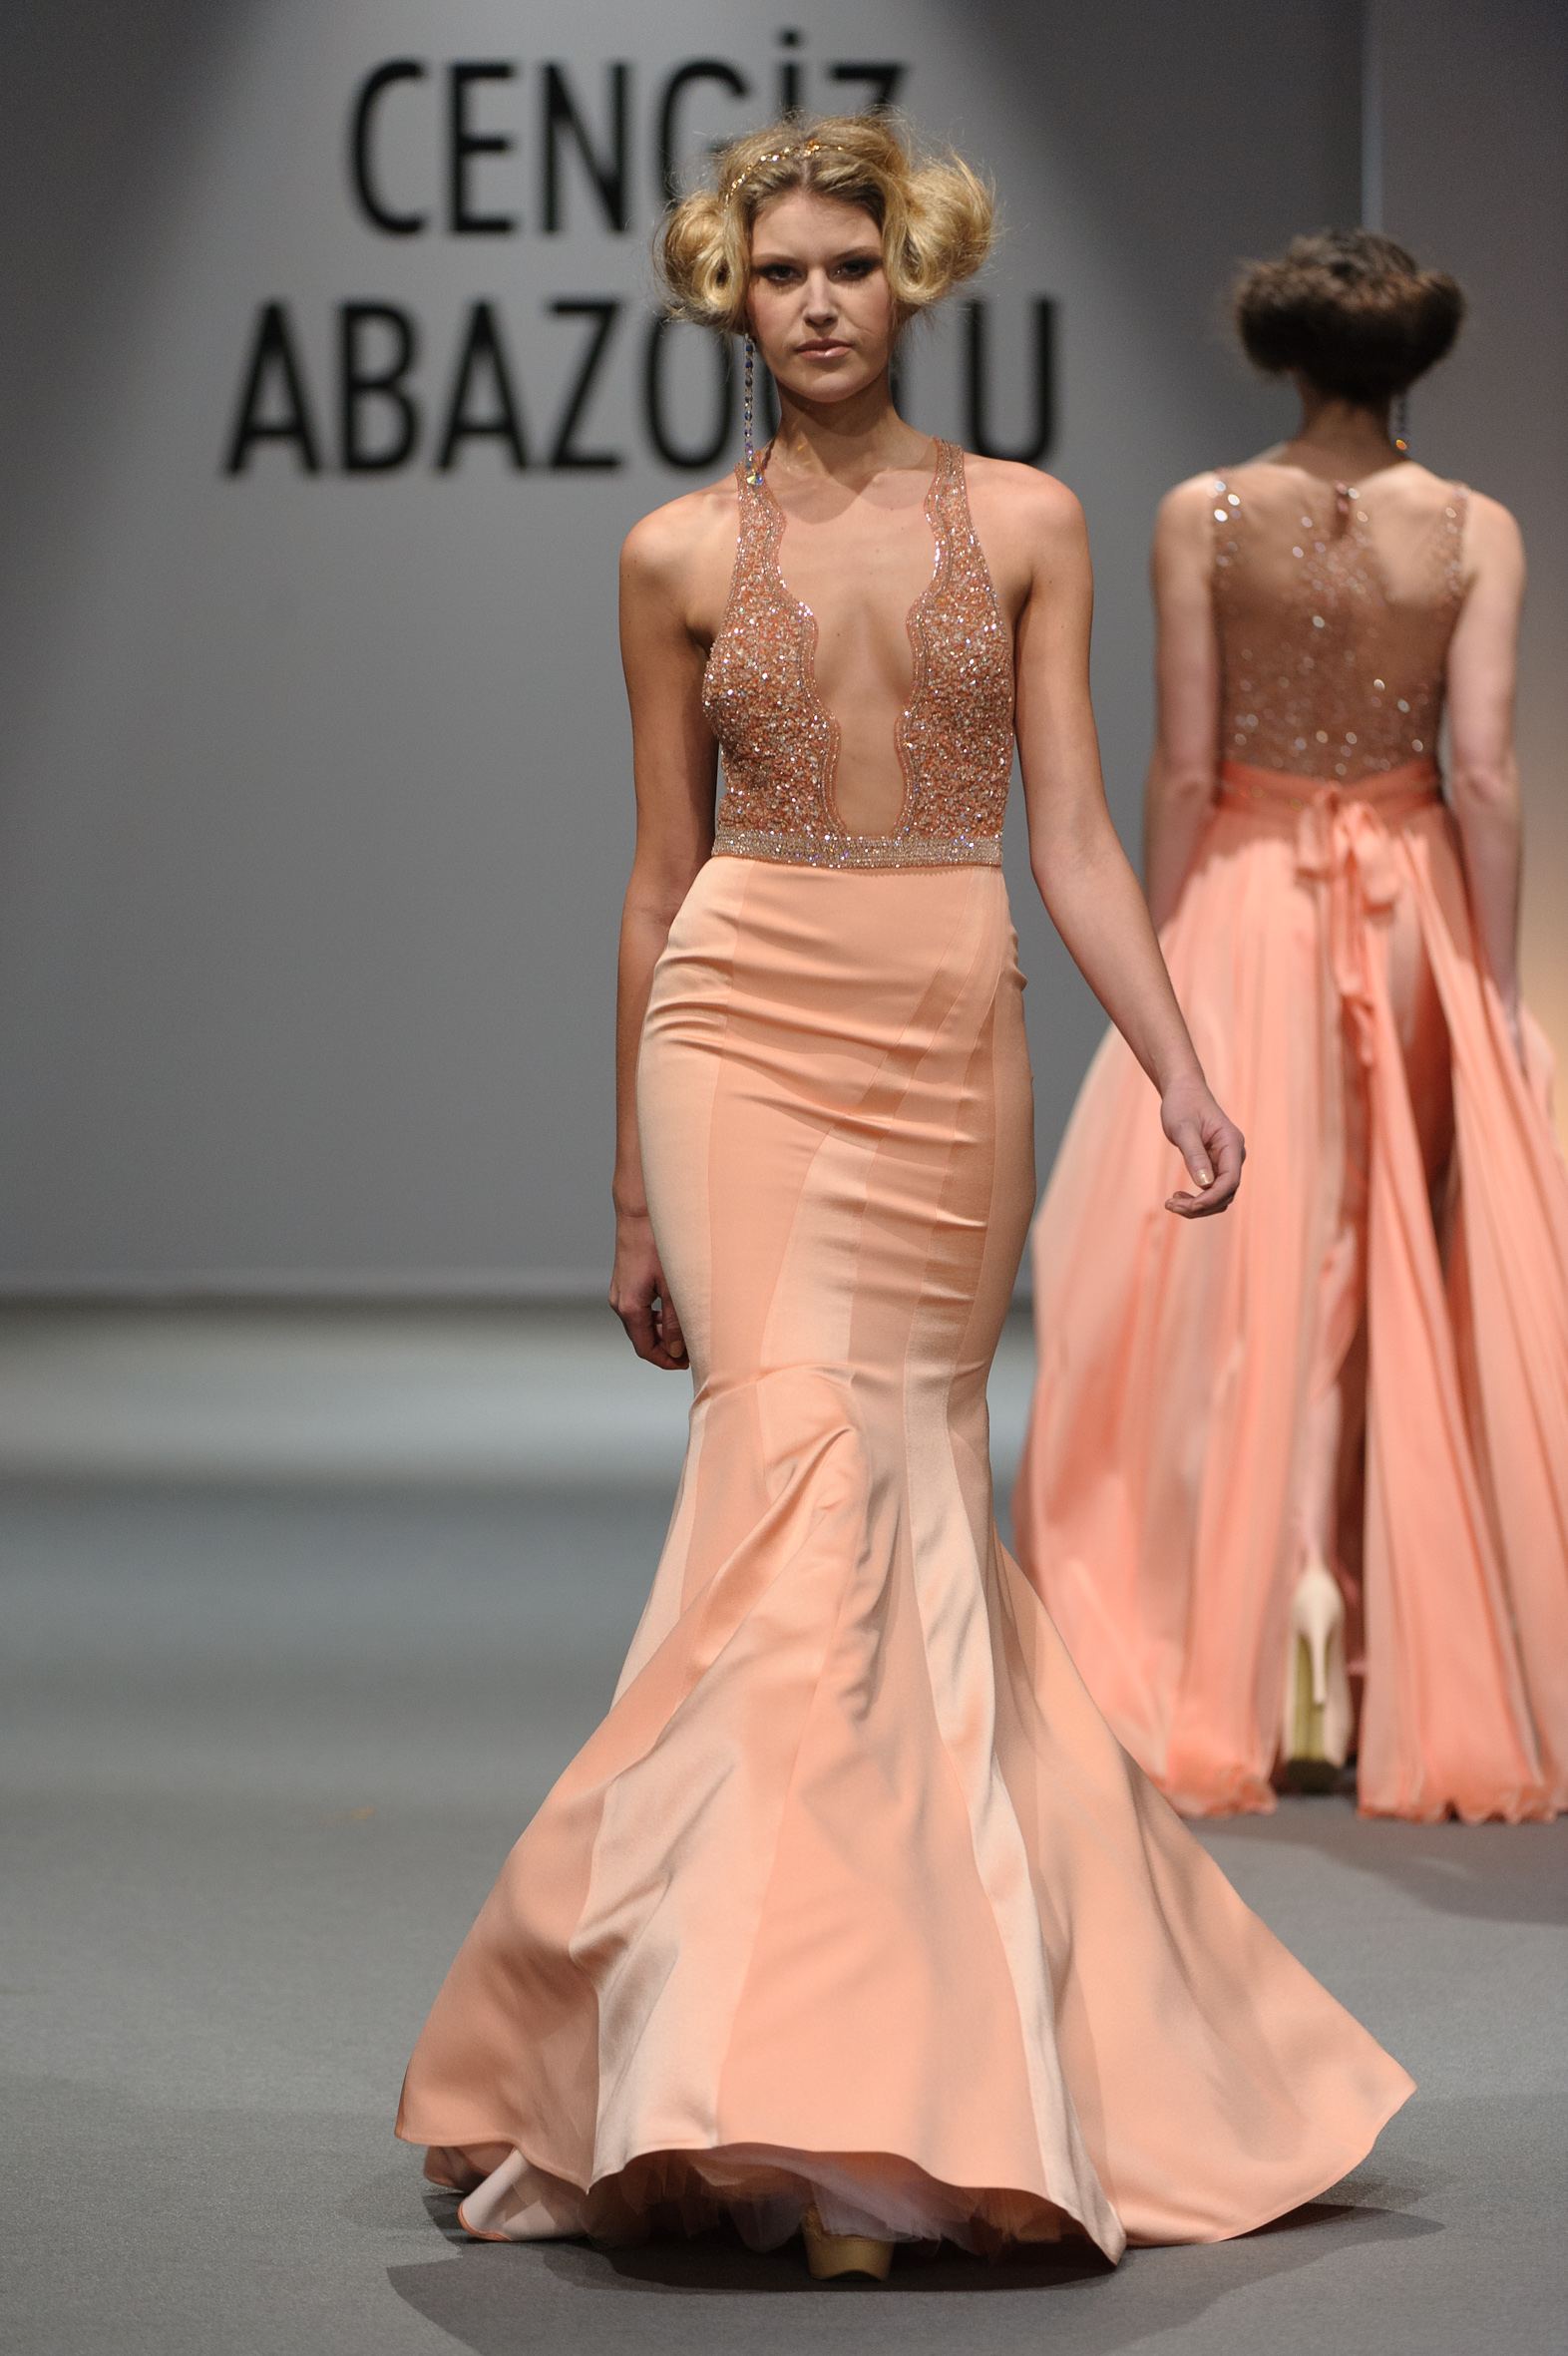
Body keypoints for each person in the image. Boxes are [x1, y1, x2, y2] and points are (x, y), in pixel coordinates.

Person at [397, 128, 1412, 2278]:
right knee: (789, 1499)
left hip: (949, 1026)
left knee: (912, 1519)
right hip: (736, 1028)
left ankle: (852, 2049)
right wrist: (628, 1193)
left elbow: (1076, 836)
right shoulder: (673, 555)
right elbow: (657, 879)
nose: (820, 303)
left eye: (850, 265)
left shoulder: (1027, 522)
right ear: (730, 296)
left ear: (911, 277)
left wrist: (1177, 1059)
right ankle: (749, 2073)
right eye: (781, 272)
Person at [1013, 229, 1568, 1826]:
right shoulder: (1475, 529)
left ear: (1283, 353)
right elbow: (1485, 770)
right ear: (1415, 362)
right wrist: (1496, 982)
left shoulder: (1204, 512)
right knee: (1384, 1257)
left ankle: (1264, 1624)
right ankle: (1358, 1626)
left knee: (1235, 1266)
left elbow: (1187, 765)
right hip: (1410, 907)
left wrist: (1159, 952)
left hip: (1247, 902)